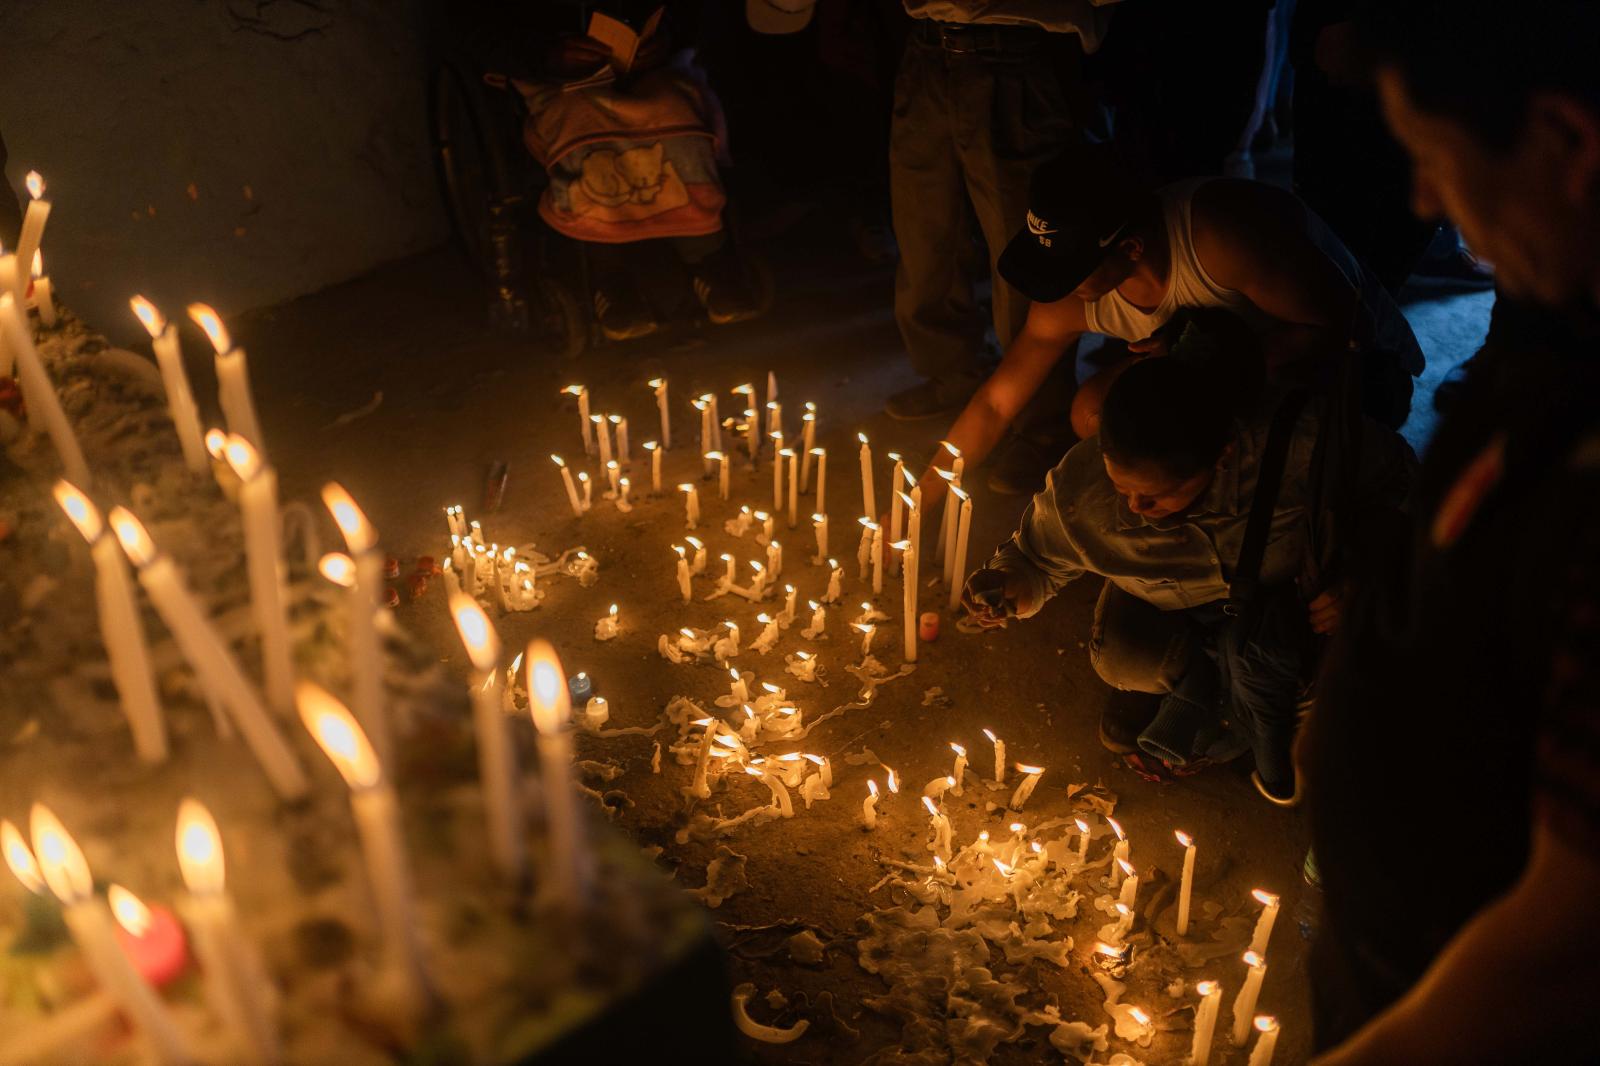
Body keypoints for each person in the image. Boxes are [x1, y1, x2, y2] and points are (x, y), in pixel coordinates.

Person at [1300, 2, 1600, 1061]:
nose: (1423, 198)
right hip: (1388, 964)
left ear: (1565, 143)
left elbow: (1565, 947)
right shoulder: (1554, 329)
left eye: (1431, 154)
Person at [962, 321, 1416, 802]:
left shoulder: (1304, 447)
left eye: (1157, 496)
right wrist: (1011, 585)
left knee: (1310, 689)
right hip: (1165, 599)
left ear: (1221, 457)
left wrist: (1366, 573)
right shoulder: (1082, 489)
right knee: (1120, 659)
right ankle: (1200, 686)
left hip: (1279, 601)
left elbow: (1412, 493)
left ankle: (1230, 703)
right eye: (1122, 488)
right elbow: (1037, 559)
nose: (1135, 509)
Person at [913, 149, 1426, 512]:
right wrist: (918, 503)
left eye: (1072, 270)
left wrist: (1199, 360)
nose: (1058, 288)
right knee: (1094, 413)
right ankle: (1201, 492)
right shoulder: (1069, 295)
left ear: (1131, 248)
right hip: (1218, 375)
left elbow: (1343, 328)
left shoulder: (1221, 236)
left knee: (1233, 450)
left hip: (1359, 377)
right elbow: (997, 402)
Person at [882, 1, 1105, 491]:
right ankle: (952, 371)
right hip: (924, 44)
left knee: (1022, 248)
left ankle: (1038, 421)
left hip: (1017, 51)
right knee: (924, 232)